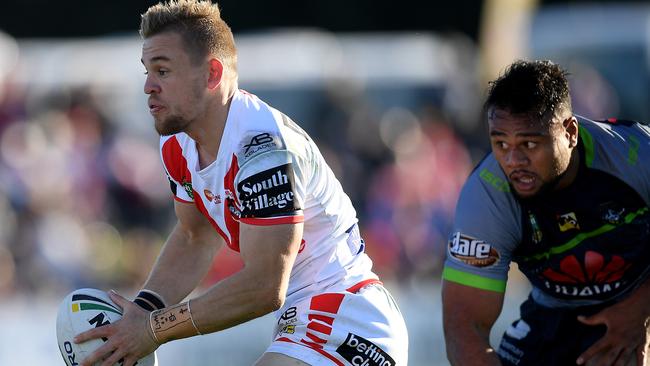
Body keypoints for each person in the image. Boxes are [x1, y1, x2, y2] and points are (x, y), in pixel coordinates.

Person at [73, 1, 408, 365]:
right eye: (147, 71)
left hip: (348, 317)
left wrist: (154, 328)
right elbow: (194, 236)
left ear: (212, 74)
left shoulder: (262, 149)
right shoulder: (177, 142)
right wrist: (142, 310)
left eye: (163, 71)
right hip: (304, 319)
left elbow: (265, 287)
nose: (148, 87)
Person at [441, 60, 650, 366]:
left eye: (529, 143)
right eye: (500, 143)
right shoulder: (487, 196)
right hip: (556, 312)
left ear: (570, 132)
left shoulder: (637, 155)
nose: (513, 160)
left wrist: (641, 310)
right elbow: (465, 327)